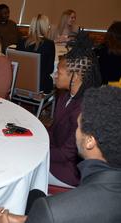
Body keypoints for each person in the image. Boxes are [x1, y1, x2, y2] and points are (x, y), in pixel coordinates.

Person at [0, 86, 121, 223]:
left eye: (78, 127)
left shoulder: (51, 209)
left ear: (89, 141)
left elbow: (55, 216)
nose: (75, 132)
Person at [48, 31, 102, 187]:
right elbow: (53, 130)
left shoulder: (83, 110)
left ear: (75, 77)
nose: (54, 75)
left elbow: (67, 154)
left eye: (59, 71)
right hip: (54, 154)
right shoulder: (64, 96)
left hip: (68, 171)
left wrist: (39, 151)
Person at [16, 14, 55, 93]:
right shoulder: (49, 44)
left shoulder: (21, 41)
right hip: (40, 85)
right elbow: (50, 69)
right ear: (45, 27)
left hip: (19, 83)